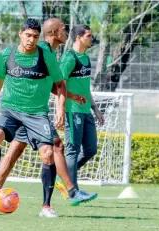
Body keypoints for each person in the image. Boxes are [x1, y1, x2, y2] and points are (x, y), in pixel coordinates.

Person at [0, 18, 66, 218]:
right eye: (28, 35)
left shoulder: (46, 56)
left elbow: (60, 84)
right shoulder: (6, 54)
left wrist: (60, 111)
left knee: (48, 153)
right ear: (20, 34)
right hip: (10, 110)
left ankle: (46, 207)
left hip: (37, 114)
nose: (31, 40)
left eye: (35, 37)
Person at [0, 18, 97, 205]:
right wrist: (60, 109)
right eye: (64, 29)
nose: (67, 33)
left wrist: (70, 96)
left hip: (28, 112)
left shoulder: (49, 53)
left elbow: (51, 85)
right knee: (56, 146)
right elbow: (49, 82)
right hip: (29, 112)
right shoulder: (42, 50)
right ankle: (71, 191)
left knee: (16, 150)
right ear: (54, 33)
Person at [58, 24, 105, 191]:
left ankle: (63, 177)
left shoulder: (85, 59)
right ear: (78, 37)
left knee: (91, 149)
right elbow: (59, 86)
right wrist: (60, 111)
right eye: (89, 36)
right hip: (73, 111)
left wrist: (95, 108)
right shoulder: (69, 58)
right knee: (72, 151)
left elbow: (85, 88)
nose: (92, 39)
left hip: (86, 112)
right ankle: (73, 191)